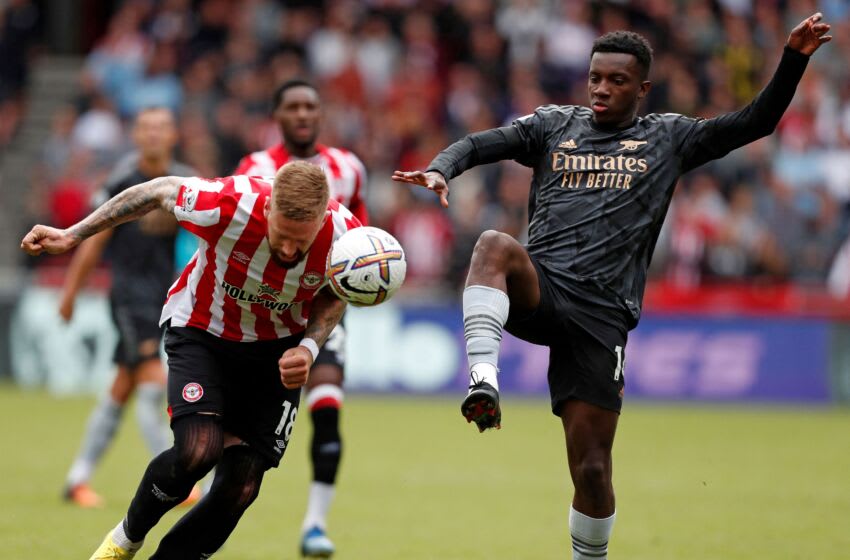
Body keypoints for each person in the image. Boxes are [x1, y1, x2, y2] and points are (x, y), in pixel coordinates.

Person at [393, 13, 831, 560]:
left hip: (602, 318)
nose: (601, 87)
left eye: (616, 80)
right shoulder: (554, 125)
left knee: (593, 469)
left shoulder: (670, 137)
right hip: (544, 289)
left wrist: (793, 59)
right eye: (595, 76)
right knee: (493, 245)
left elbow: (755, 122)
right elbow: (483, 143)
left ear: (642, 87)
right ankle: (483, 380)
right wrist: (441, 168)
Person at [21, 160, 360, 559]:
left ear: (321, 219)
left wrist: (309, 348)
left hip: (275, 353)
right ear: (268, 210)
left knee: (242, 484)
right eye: (281, 235)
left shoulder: (345, 238)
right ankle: (124, 541)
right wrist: (73, 233)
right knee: (198, 451)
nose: (287, 249)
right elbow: (154, 191)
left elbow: (336, 292)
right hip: (203, 332)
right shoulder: (228, 203)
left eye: (299, 242)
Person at [234, 78, 368, 558]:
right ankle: (215, 491)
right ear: (277, 115)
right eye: (293, 106)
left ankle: (315, 524)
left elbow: (360, 239)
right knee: (235, 413)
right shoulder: (254, 168)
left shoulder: (348, 168)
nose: (303, 114)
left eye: (311, 106)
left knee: (327, 411)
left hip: (323, 308)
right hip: (265, 310)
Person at [58, 106, 200, 508]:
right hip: (127, 296)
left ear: (174, 135)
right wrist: (70, 292)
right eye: (146, 128)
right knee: (156, 386)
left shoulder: (182, 183)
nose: (153, 135)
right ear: (135, 136)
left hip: (162, 297)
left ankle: (77, 478)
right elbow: (94, 241)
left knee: (121, 388)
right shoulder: (121, 182)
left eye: (161, 127)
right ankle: (183, 482)